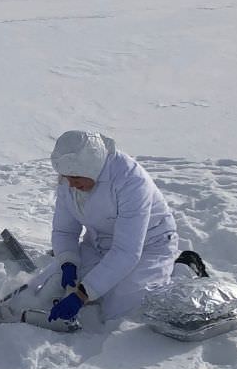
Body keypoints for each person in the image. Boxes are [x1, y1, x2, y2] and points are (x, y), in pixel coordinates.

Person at [42, 130, 207, 325]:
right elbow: (65, 231)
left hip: (148, 244)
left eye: (75, 178)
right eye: (65, 177)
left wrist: (82, 295)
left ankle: (183, 269)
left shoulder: (131, 180)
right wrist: (68, 262)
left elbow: (126, 251)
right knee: (52, 284)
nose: (70, 184)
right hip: (100, 242)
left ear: (91, 168)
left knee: (122, 309)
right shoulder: (70, 180)